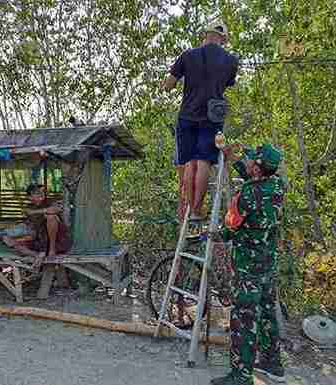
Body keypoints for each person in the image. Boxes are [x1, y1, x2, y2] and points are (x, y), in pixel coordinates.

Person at [211, 143, 286, 385]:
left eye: (252, 161)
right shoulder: (278, 186)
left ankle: (241, 375)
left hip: (247, 268)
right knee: (266, 312)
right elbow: (255, 184)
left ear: (258, 168)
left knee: (244, 319)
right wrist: (234, 159)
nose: (249, 162)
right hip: (268, 264)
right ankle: (273, 363)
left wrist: (214, 235)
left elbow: (232, 225)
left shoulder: (246, 194)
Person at [163, 21, 238, 220]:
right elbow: (227, 84)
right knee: (204, 161)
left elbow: (168, 86)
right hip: (212, 116)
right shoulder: (231, 61)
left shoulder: (187, 55)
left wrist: (170, 79)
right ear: (223, 40)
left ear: (205, 35)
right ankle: (196, 209)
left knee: (189, 162)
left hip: (187, 114)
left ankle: (191, 209)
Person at [2, 184, 72, 269]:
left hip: (56, 240)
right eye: (37, 192)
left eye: (42, 191)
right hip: (41, 239)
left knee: (51, 217)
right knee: (7, 240)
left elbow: (56, 209)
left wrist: (42, 212)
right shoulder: (29, 207)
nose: (41, 193)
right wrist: (44, 211)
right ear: (30, 197)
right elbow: (28, 212)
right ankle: (37, 255)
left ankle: (51, 250)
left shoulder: (49, 202)